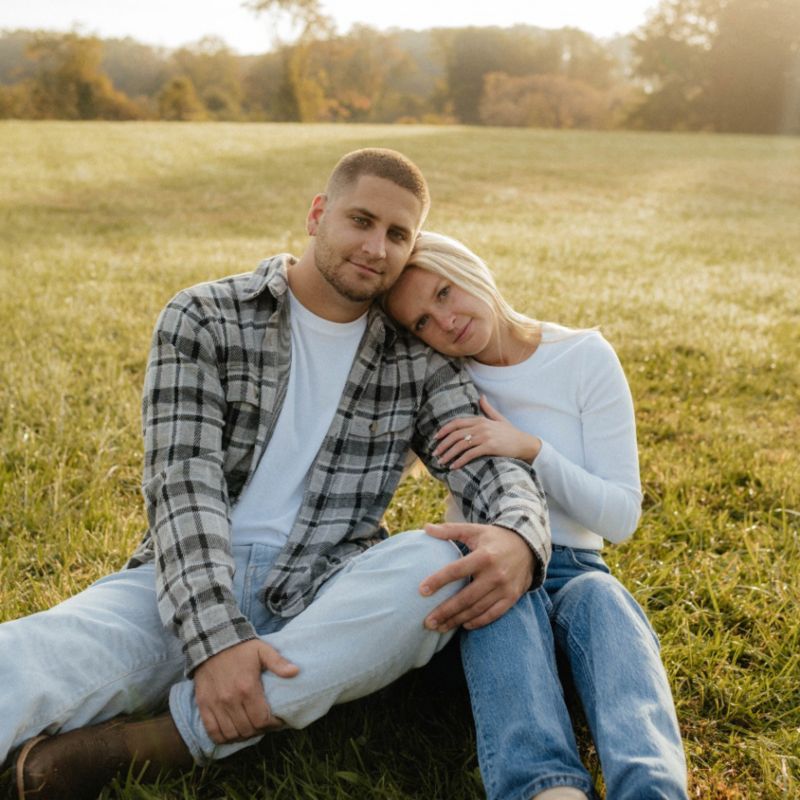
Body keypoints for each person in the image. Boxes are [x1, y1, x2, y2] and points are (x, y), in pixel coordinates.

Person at [2, 150, 550, 800]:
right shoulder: (204, 315)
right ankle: (237, 694)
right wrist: (215, 639)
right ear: (318, 214)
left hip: (327, 589)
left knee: (441, 561)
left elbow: (490, 465)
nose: (376, 247)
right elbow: (183, 489)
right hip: (184, 582)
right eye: (361, 220)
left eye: (398, 234)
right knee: (25, 660)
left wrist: (519, 535)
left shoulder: (418, 357)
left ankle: (164, 740)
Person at [384, 231, 689, 800]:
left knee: (604, 599)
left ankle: (652, 787)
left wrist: (531, 449)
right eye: (422, 321)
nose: (444, 321)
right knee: (502, 596)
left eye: (445, 293)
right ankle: (547, 791)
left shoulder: (583, 356)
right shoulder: (442, 381)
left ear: (472, 270)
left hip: (575, 570)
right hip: (489, 574)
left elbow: (621, 517)